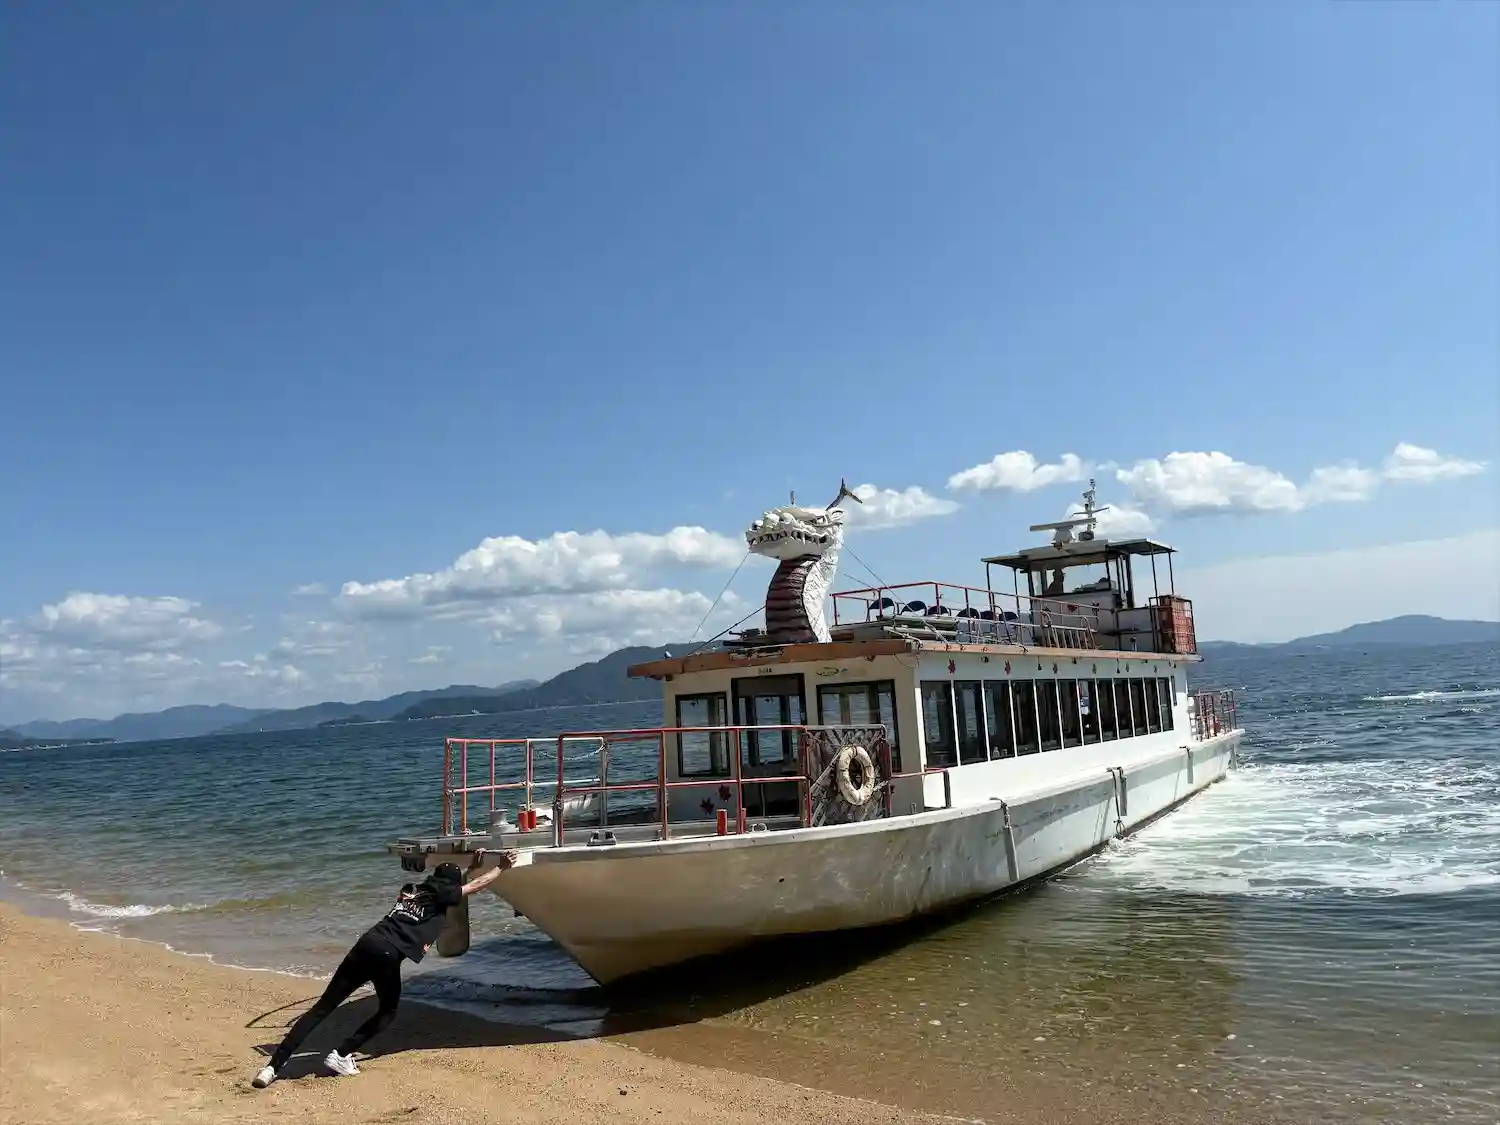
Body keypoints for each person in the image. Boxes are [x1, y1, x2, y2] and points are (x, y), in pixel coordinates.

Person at [252, 849, 517, 1088]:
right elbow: (474, 886)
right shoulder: (442, 895)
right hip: (387, 954)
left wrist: (473, 866)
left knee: (322, 1008)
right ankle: (342, 1054)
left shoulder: (415, 890)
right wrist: (501, 867)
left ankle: (271, 1068)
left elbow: (461, 887)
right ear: (451, 885)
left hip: (366, 944)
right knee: (388, 1011)